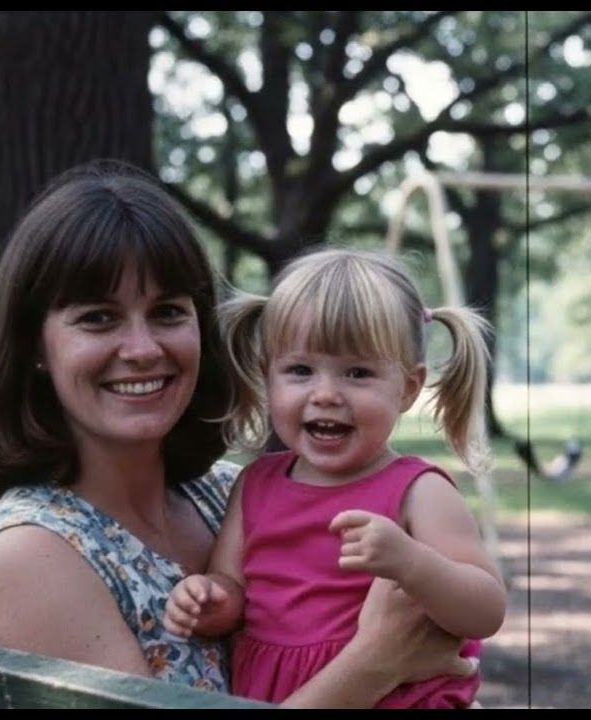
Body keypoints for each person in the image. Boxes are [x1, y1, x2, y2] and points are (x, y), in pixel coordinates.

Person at [0, 159, 477, 708]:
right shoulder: (30, 556)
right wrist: (375, 663)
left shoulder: (229, 492)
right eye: (99, 318)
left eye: (168, 311)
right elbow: (388, 652)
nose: (144, 348)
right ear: (34, 346)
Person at [163, 247, 508, 708]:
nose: (325, 394)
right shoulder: (256, 484)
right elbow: (233, 585)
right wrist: (210, 599)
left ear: (407, 387)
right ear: (269, 377)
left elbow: (486, 609)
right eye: (300, 370)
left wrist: (411, 563)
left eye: (358, 373)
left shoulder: (418, 491)